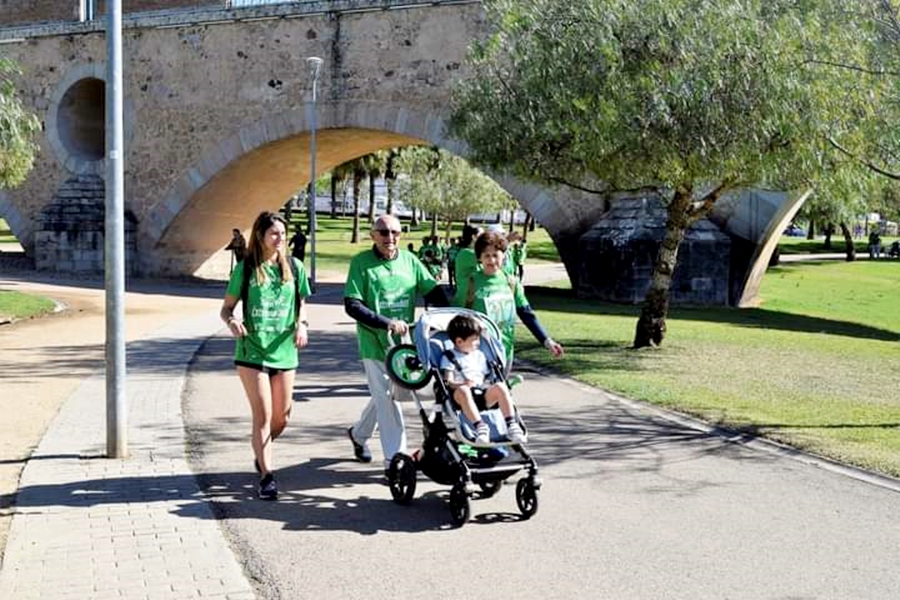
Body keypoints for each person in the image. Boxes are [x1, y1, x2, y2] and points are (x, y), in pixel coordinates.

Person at [344, 214, 450, 470]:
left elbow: (432, 290)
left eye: (395, 233)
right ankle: (395, 460)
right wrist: (385, 322)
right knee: (390, 400)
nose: (389, 238)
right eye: (383, 232)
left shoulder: (410, 261)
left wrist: (448, 316)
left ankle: (358, 434)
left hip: (402, 344)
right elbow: (352, 305)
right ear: (373, 235)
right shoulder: (361, 263)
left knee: (385, 395)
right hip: (373, 340)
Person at [219, 211, 311, 500]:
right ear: (260, 236)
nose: (280, 238)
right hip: (252, 350)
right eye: (274, 234)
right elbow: (226, 308)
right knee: (263, 415)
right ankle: (267, 476)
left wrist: (303, 324)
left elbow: (301, 303)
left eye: (283, 234)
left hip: (284, 352)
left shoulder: (294, 267)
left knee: (281, 418)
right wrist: (232, 322)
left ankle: (261, 450)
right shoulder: (246, 268)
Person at [455, 229, 564, 365]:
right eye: (486, 256)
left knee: (501, 385)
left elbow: (527, 314)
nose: (491, 260)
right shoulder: (469, 283)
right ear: (479, 257)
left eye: (495, 255)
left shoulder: (511, 282)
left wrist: (547, 341)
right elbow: (455, 318)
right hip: (475, 355)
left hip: (505, 352)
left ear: (504, 256)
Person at [440, 313, 525, 445]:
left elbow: (487, 376)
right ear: (459, 341)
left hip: (482, 394)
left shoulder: (479, 355)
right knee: (463, 390)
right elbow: (448, 381)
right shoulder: (449, 357)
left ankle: (512, 425)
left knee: (501, 386)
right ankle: (480, 427)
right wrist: (462, 384)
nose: (478, 343)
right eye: (474, 340)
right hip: (461, 396)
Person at [452, 224, 483, 301]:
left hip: (473, 296)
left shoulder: (472, 252)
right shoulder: (466, 253)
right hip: (465, 299)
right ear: (473, 237)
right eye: (481, 236)